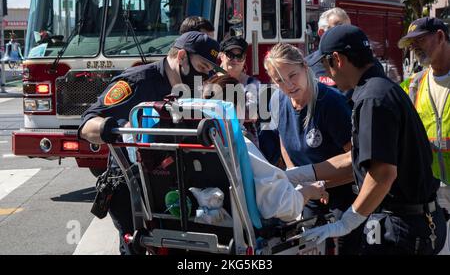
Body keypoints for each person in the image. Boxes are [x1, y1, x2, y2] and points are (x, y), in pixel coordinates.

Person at [299, 24, 447, 254]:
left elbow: (382, 174)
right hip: (409, 222)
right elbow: (359, 158)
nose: (326, 74)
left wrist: (346, 222)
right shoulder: (380, 89)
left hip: (401, 227)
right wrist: (299, 174)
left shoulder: (372, 98)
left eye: (326, 65)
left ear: (337, 59)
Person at [78, 31, 222, 254]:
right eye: (202, 67)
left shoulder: (195, 89)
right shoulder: (136, 82)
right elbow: (87, 124)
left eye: (209, 71)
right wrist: (112, 128)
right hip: (131, 186)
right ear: (182, 56)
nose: (205, 75)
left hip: (176, 185)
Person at [263, 43, 359, 254]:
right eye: (279, 80)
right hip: (308, 191)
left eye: (292, 75)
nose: (288, 85)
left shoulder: (330, 103)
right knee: (308, 247)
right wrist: (296, 177)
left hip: (342, 193)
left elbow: (356, 158)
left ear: (305, 67)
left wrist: (322, 182)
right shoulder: (278, 100)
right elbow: (284, 140)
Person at [202, 74, 329, 221]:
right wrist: (310, 192)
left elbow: (260, 179)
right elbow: (284, 206)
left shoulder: (195, 143)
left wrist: (296, 177)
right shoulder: (240, 145)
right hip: (247, 231)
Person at [398, 17, 450, 252]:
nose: (414, 47)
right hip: (431, 197)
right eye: (411, 43)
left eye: (420, 39)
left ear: (440, 37)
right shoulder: (412, 85)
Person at [218, 36, 261, 146]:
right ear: (221, 56)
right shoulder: (210, 81)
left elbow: (251, 114)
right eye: (230, 55)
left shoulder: (252, 84)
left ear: (245, 58)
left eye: (239, 56)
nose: (235, 60)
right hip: (216, 139)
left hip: (245, 142)